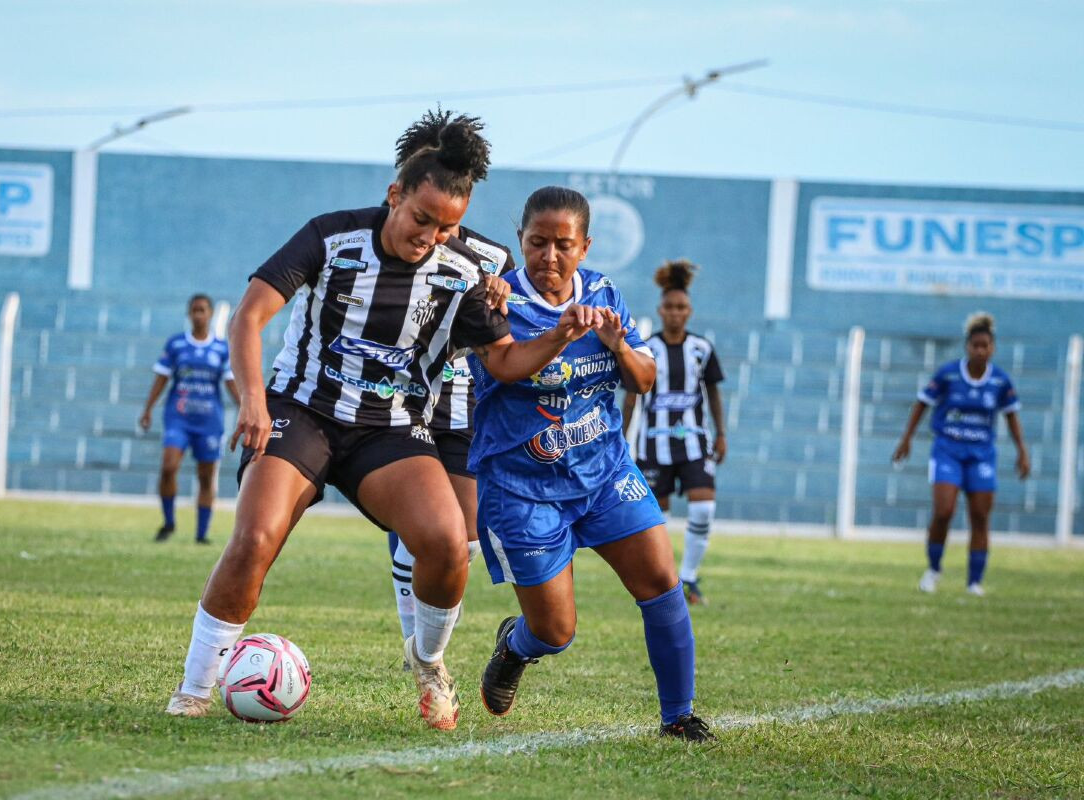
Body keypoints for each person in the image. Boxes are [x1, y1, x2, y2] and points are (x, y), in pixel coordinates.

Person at [165, 115, 600, 731]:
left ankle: (428, 663)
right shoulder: (330, 237)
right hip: (302, 412)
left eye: (447, 226)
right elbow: (249, 316)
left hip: (389, 429)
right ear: (395, 195)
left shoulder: (469, 267)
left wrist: (558, 333)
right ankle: (194, 689)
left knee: (451, 542)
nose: (432, 236)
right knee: (256, 538)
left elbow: (503, 361)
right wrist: (254, 401)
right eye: (422, 219)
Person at [471, 186, 715, 741]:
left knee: (660, 580)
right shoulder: (494, 301)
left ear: (585, 246)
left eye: (563, 244)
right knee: (556, 632)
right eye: (537, 243)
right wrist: (563, 333)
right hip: (522, 488)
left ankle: (677, 717)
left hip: (604, 474)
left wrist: (618, 344)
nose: (549, 257)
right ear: (521, 241)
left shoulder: (605, 293)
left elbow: (645, 380)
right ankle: (516, 645)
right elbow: (507, 367)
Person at [383, 109, 517, 656]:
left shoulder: (491, 260)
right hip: (396, 405)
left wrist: (505, 301)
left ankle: (427, 649)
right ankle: (421, 655)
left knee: (461, 541)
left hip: (461, 406)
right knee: (418, 532)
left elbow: (508, 342)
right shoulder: (380, 244)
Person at [893, 312, 1029, 596]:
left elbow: (1012, 416)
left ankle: (974, 581)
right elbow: (922, 403)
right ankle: (933, 570)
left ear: (993, 348)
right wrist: (906, 439)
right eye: (975, 345)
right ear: (967, 347)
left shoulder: (1000, 381)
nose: (980, 350)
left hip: (981, 455)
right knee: (944, 511)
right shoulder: (949, 374)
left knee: (980, 516)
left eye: (986, 346)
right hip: (947, 451)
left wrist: (1022, 451)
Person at [622, 261, 725, 605]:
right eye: (670, 307)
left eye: (681, 307)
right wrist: (621, 440)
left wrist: (721, 434)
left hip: (695, 442)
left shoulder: (702, 349)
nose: (675, 313)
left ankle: (691, 578)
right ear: (660, 310)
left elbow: (713, 392)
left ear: (689, 310)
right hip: (654, 446)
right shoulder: (647, 348)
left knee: (703, 510)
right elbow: (632, 396)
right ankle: (667, 582)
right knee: (657, 519)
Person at [139, 294, 239, 544]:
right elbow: (162, 378)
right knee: (168, 467)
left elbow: (230, 384)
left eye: (202, 310)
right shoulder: (176, 345)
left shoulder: (221, 349)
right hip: (178, 418)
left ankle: (201, 534)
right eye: (194, 310)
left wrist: (246, 409)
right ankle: (169, 522)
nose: (198, 315)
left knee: (205, 477)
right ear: (188, 314)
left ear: (210, 314)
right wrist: (148, 409)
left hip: (208, 422)